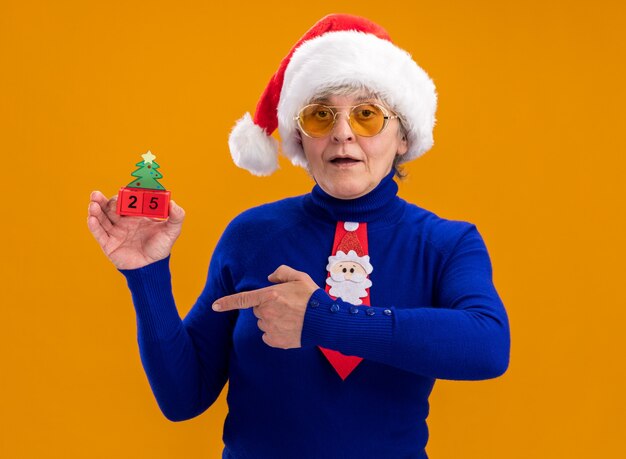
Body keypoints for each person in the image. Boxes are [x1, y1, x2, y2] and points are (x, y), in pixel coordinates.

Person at [87, 14, 510, 459]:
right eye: (320, 115)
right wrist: (146, 273)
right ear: (298, 138)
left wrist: (322, 320)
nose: (342, 132)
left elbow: (487, 346)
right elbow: (182, 397)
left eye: (367, 115)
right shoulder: (251, 235)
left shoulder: (448, 244)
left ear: (403, 136)